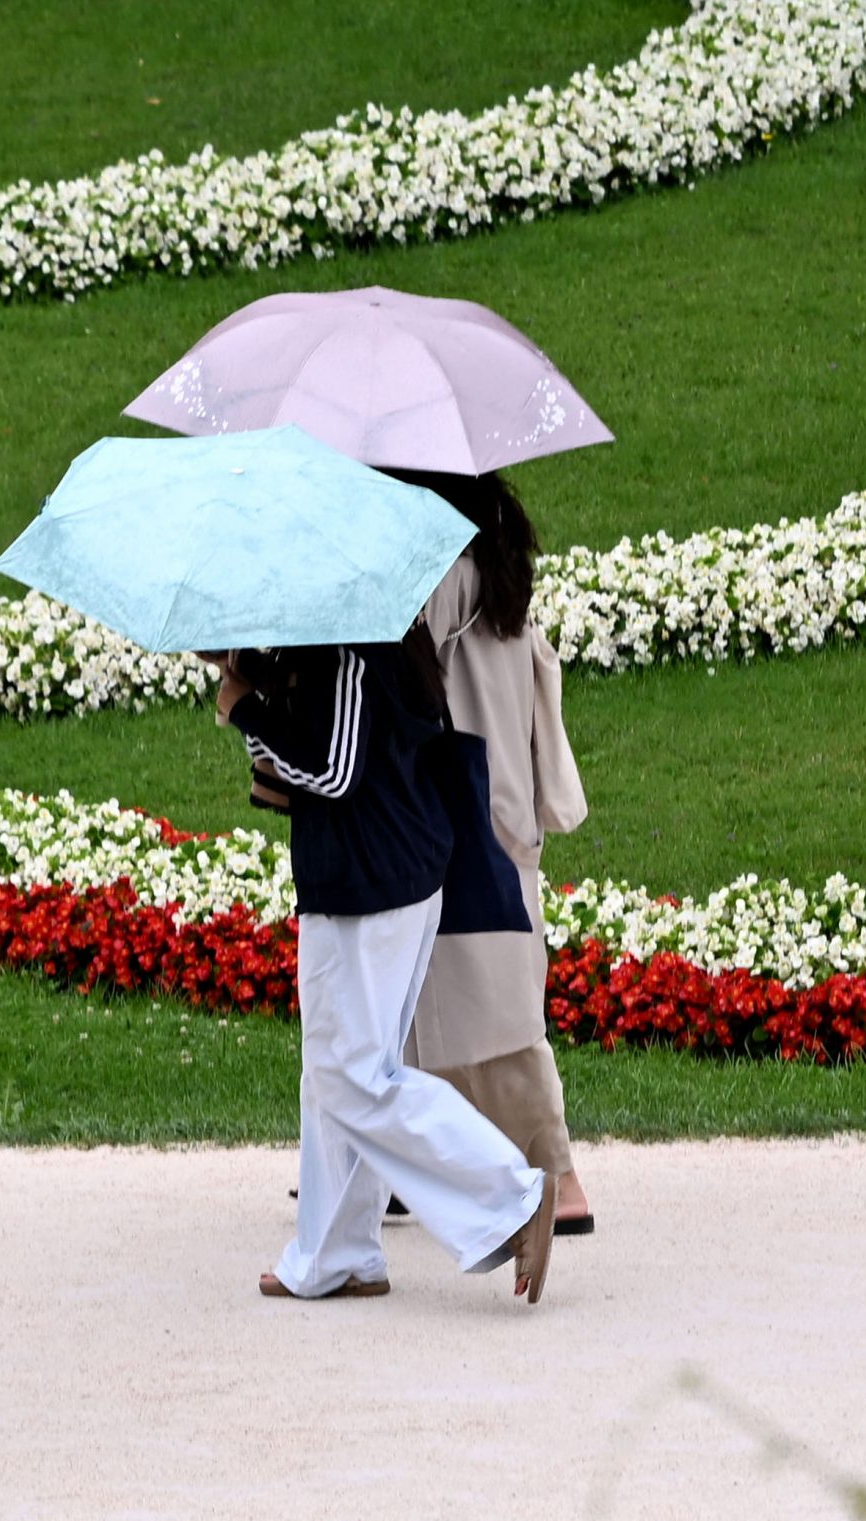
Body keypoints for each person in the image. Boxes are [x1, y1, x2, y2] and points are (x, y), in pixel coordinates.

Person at [217, 630, 557, 1304]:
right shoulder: (360, 643)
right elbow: (308, 758)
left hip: (369, 884)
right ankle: (337, 1254)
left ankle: (512, 1193)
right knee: (338, 1072)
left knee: (353, 1077)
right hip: (380, 875)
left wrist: (247, 709)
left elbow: (332, 771)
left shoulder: (348, 651)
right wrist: (252, 686)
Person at [394, 469, 596, 1233]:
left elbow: (410, 683)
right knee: (455, 989)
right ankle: (404, 1161)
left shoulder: (444, 571)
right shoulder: (498, 561)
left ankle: (559, 1173)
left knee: (483, 1001)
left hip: (461, 802)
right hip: (501, 795)